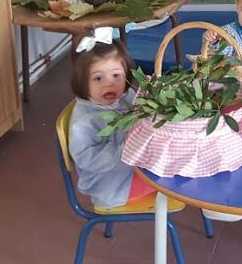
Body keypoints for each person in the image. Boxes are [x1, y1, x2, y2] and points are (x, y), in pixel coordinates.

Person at [67, 27, 168, 209]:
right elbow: (86, 159)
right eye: (98, 78)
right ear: (82, 81)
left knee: (173, 157)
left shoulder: (124, 95)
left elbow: (140, 110)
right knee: (171, 172)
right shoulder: (84, 121)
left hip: (130, 170)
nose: (110, 83)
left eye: (116, 75)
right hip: (113, 185)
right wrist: (128, 148)